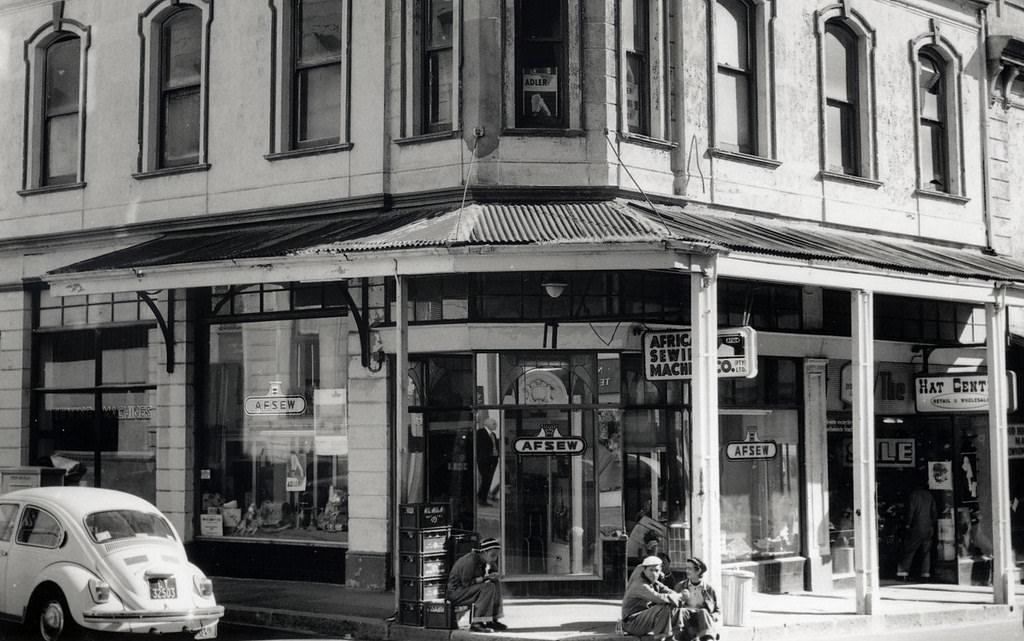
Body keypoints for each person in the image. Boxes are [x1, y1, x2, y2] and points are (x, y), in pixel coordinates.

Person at [447, 537, 507, 633]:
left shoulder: (484, 560)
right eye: (492, 555)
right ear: (484, 552)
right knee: (488, 587)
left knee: (495, 583)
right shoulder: (470, 561)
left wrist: (494, 573)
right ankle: (477, 623)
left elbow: (488, 576)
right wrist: (486, 578)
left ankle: (492, 619)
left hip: (467, 590)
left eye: (496, 556)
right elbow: (466, 583)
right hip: (456, 592)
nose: (495, 559)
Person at [621, 556, 685, 640]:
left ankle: (673, 634)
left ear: (660, 571)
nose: (654, 573)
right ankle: (661, 637)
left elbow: (667, 590)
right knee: (664, 605)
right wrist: (680, 595)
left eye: (656, 570)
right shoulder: (640, 585)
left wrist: (677, 595)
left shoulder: (652, 581)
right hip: (631, 623)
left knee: (674, 604)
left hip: (642, 619)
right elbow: (659, 598)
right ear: (644, 570)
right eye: (651, 570)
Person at [673, 557, 720, 641]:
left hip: (702, 620)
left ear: (698, 571)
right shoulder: (680, 586)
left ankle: (708, 638)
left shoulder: (709, 589)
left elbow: (717, 610)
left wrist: (712, 617)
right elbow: (673, 607)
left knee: (703, 611)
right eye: (686, 568)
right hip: (686, 620)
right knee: (682, 611)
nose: (687, 571)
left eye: (690, 569)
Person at [897, 481, 937, 580]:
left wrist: (907, 524)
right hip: (928, 527)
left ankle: (903, 573)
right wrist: (932, 524)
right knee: (926, 552)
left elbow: (910, 511)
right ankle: (925, 574)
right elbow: (934, 512)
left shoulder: (913, 495)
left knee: (909, 550)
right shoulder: (929, 495)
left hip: (916, 527)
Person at [476, 418, 500, 506]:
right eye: (494, 424)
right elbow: (479, 446)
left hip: (493, 459)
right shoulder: (480, 432)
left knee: (488, 479)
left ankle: (482, 497)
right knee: (486, 478)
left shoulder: (493, 434)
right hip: (484, 460)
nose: (495, 425)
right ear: (488, 424)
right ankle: (481, 498)